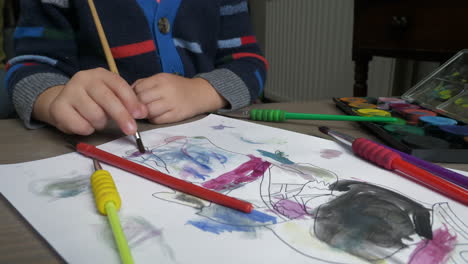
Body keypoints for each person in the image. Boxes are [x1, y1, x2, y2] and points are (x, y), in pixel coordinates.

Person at [5, 0, 267, 136]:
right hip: (93, 148)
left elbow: (249, 64)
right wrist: (55, 101)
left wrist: (199, 92)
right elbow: (29, 66)